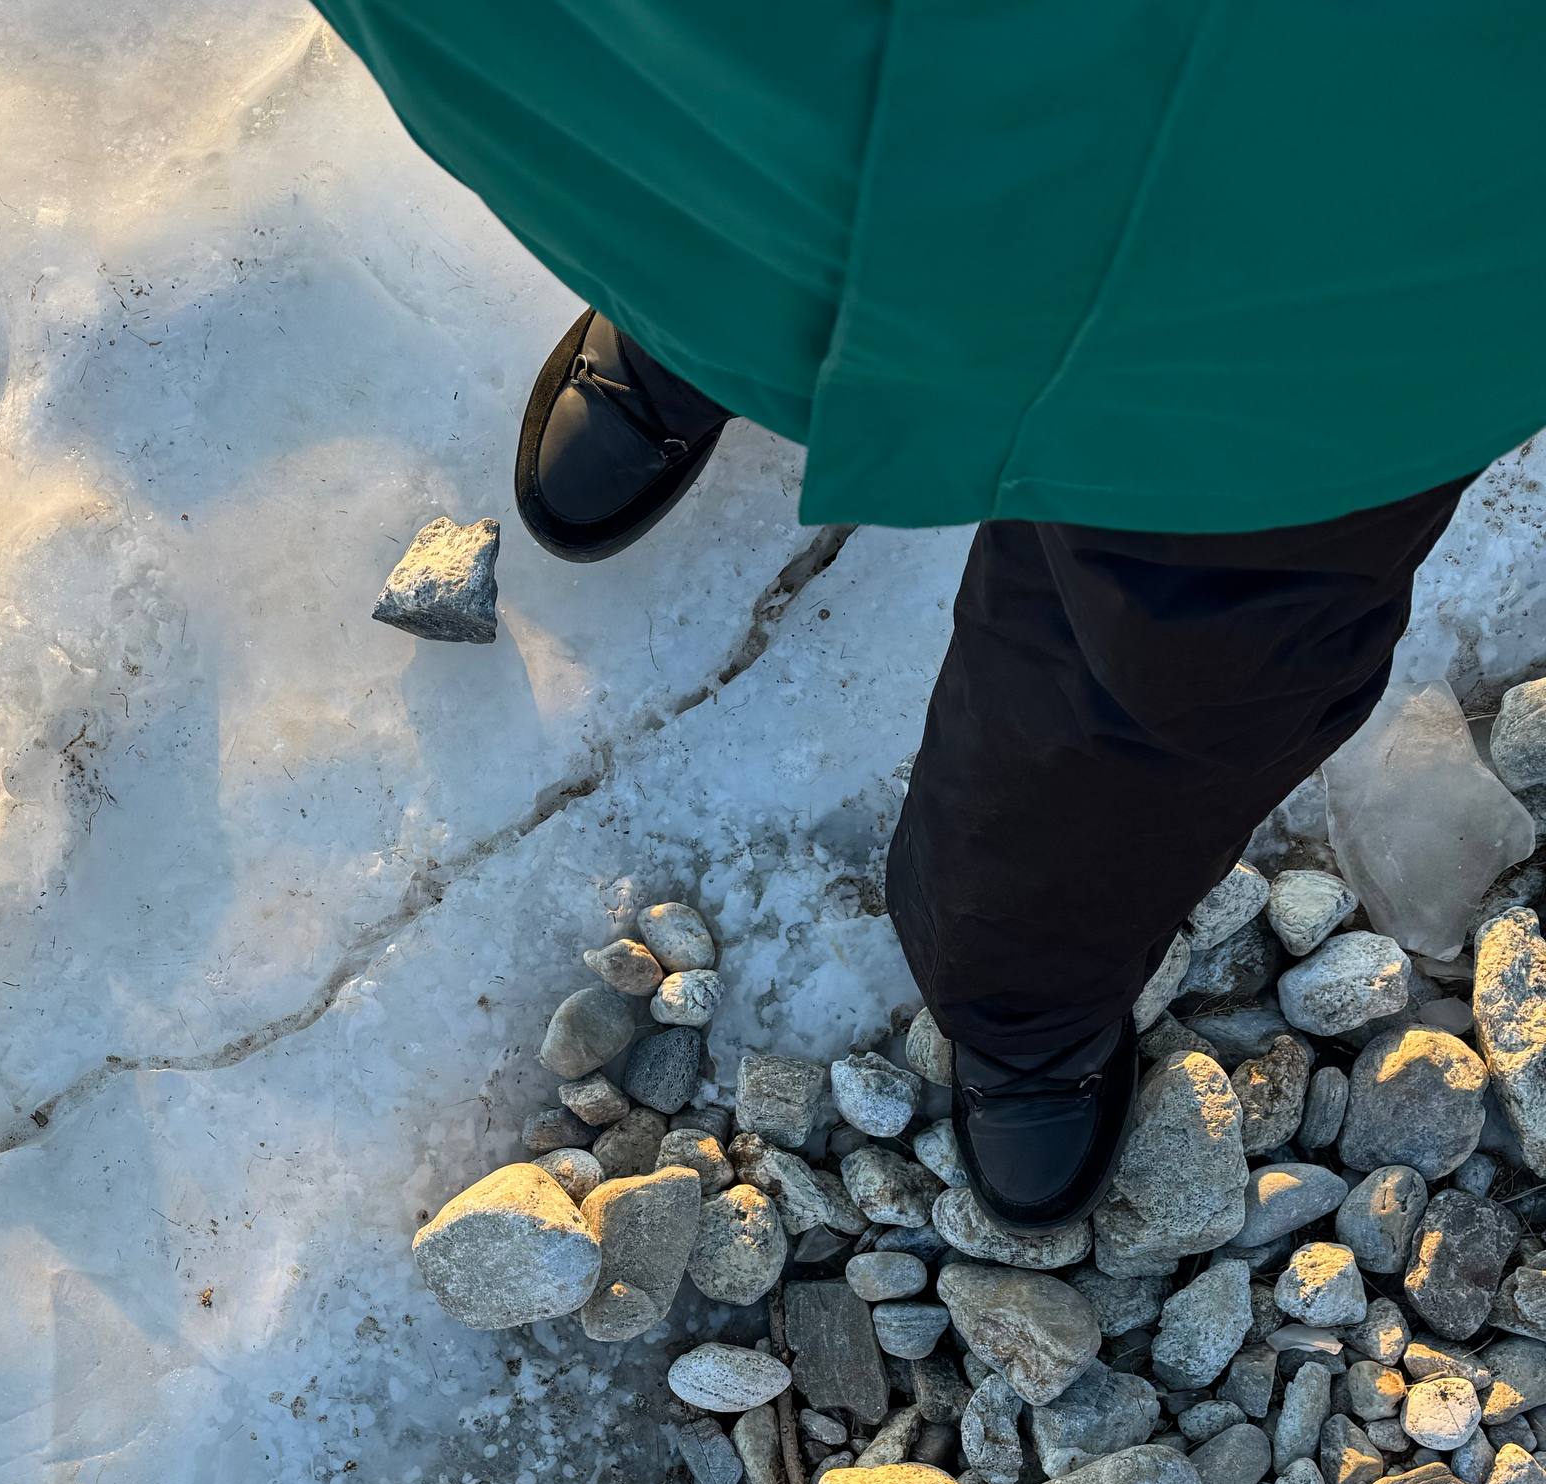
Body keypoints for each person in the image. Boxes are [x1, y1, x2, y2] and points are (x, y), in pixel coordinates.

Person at [310, 0, 1546, 1230]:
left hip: (1374, 168)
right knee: (748, 137)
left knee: (1210, 619)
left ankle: (1023, 972)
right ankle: (717, 311)